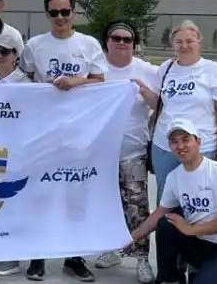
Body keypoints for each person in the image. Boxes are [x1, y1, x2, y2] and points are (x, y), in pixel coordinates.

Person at [18, 0, 106, 282]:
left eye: (65, 12)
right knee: (40, 193)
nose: (60, 18)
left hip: (80, 131)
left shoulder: (89, 44)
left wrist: (74, 82)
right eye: (53, 13)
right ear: (47, 15)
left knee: (75, 194)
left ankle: (74, 256)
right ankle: (38, 257)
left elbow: (99, 82)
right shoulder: (34, 46)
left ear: (74, 13)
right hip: (43, 130)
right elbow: (23, 79)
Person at [128, 121, 217, 284]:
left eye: (185, 139)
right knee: (166, 222)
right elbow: (159, 213)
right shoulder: (174, 177)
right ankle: (170, 279)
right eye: (174, 142)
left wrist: (191, 229)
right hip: (200, 246)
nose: (180, 146)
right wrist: (129, 238)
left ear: (198, 142)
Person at [92, 21, 159, 284]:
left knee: (137, 206)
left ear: (134, 43)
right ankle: (112, 249)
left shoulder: (148, 71)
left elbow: (160, 105)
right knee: (108, 205)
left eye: (127, 39)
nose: (122, 43)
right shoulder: (96, 68)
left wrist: (145, 91)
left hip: (133, 152)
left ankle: (142, 258)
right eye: (116, 38)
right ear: (107, 41)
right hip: (101, 154)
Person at [151, 20, 217, 200]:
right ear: (172, 44)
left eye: (190, 41)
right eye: (179, 42)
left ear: (199, 42)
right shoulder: (166, 68)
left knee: (198, 201)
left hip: (201, 146)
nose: (184, 46)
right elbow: (158, 104)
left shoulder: (214, 70)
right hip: (165, 145)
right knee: (166, 199)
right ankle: (165, 229)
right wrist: (140, 90)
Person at [0, 33, 31, 278]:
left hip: (18, 153)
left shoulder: (28, 85)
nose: (0, 56)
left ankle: (12, 257)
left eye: (6, 52)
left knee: (14, 204)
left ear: (16, 55)